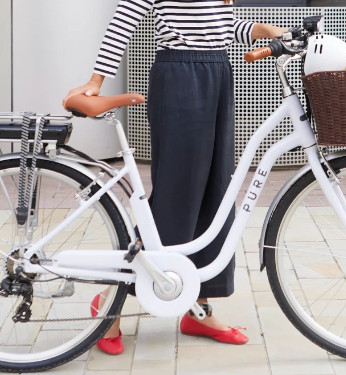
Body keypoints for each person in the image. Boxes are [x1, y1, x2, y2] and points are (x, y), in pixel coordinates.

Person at [64, 0, 286, 355]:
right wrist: (96, 81)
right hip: (180, 78)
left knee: (215, 193)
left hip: (219, 74)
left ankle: (199, 309)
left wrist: (266, 31)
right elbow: (124, 19)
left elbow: (222, 29)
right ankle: (111, 303)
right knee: (176, 198)